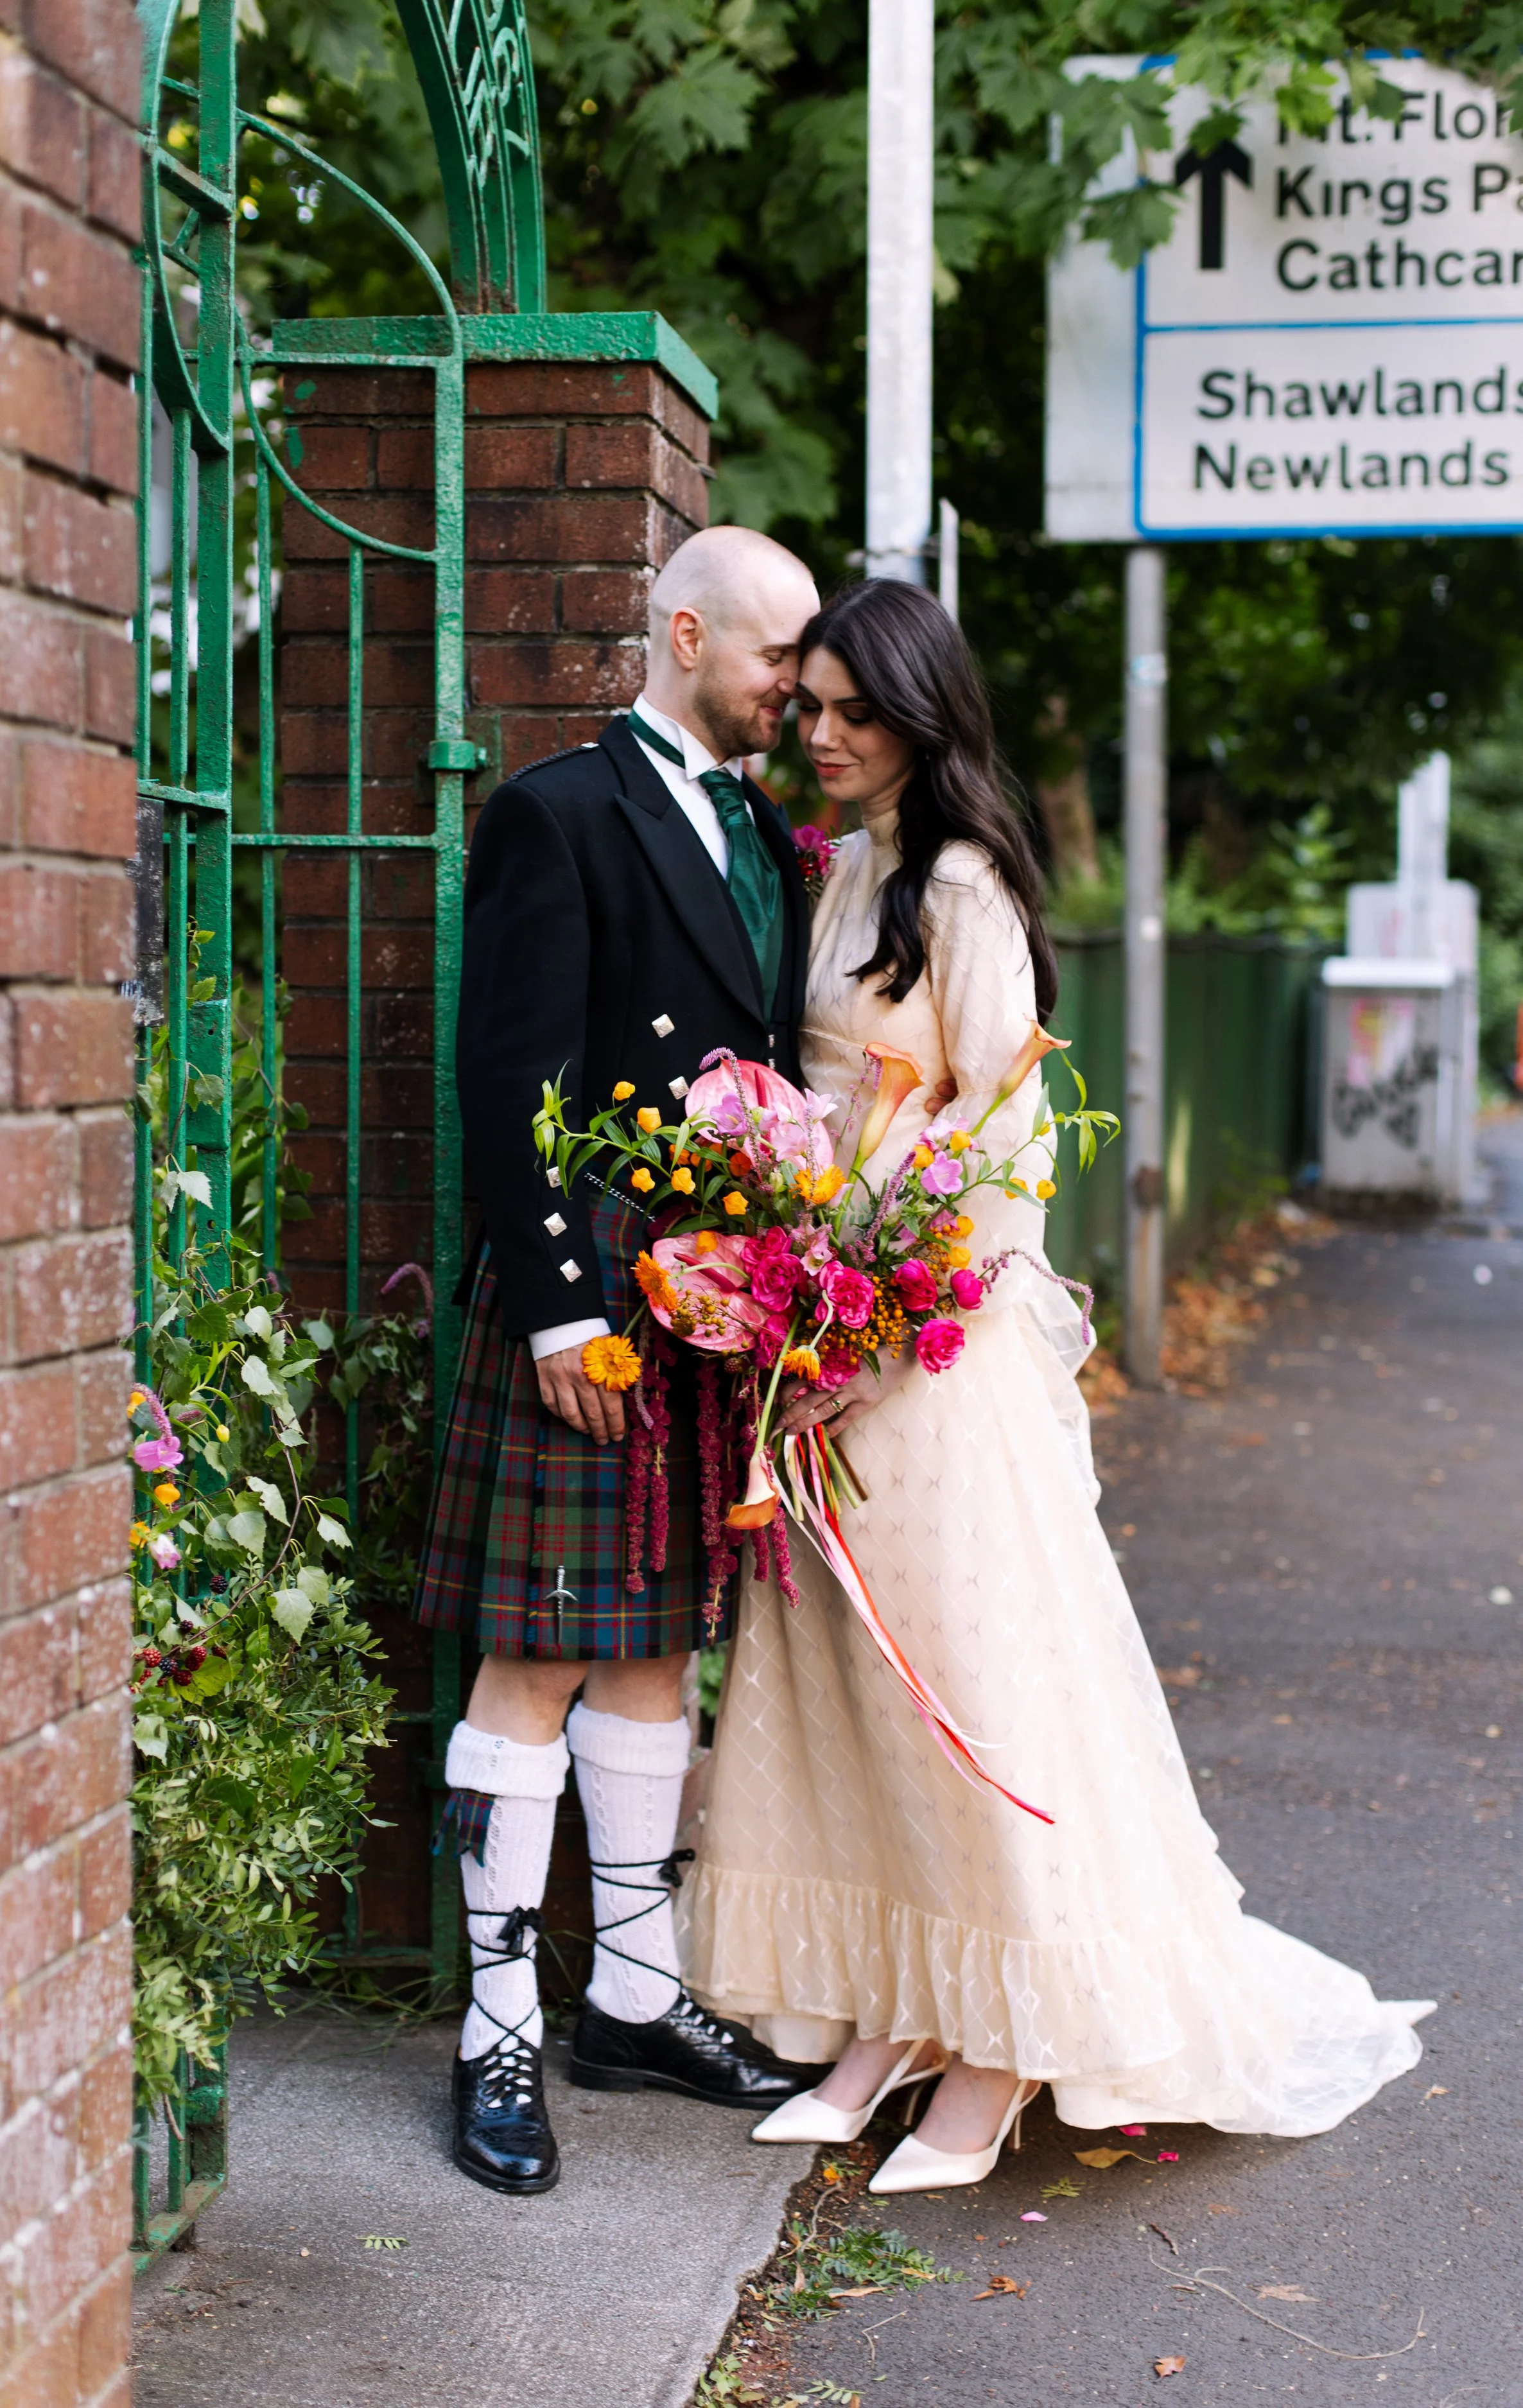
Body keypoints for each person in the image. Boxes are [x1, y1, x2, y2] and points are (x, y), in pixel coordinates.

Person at [680, 579, 1432, 2193]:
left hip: (924, 1362)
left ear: (920, 714)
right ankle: (895, 2012)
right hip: (815, 1331)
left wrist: (872, 1328)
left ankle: (1004, 2048)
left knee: (969, 1695)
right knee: (852, 1702)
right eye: (805, 703)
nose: (817, 733)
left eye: (850, 710)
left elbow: (1001, 1148)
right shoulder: (846, 867)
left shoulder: (958, 886)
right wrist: (784, 1295)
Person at [416, 525, 827, 2195]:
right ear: (681, 629)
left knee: (658, 1648)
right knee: (535, 1660)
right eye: (774, 657)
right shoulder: (556, 809)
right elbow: (510, 1073)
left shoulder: (765, 840)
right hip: (592, 1293)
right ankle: (497, 2021)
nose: (794, 689)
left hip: (704, 1300)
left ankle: (635, 1997)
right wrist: (561, 1301)